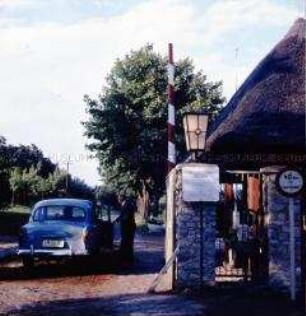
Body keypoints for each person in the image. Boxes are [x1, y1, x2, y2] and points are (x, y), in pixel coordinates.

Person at [116, 194, 136, 266]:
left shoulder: (127, 205)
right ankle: (126, 260)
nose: (118, 200)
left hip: (128, 228)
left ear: (121, 199)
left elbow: (126, 217)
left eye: (118, 198)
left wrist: (121, 220)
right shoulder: (124, 204)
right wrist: (117, 220)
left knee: (127, 243)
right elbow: (122, 215)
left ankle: (128, 261)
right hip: (127, 227)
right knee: (126, 243)